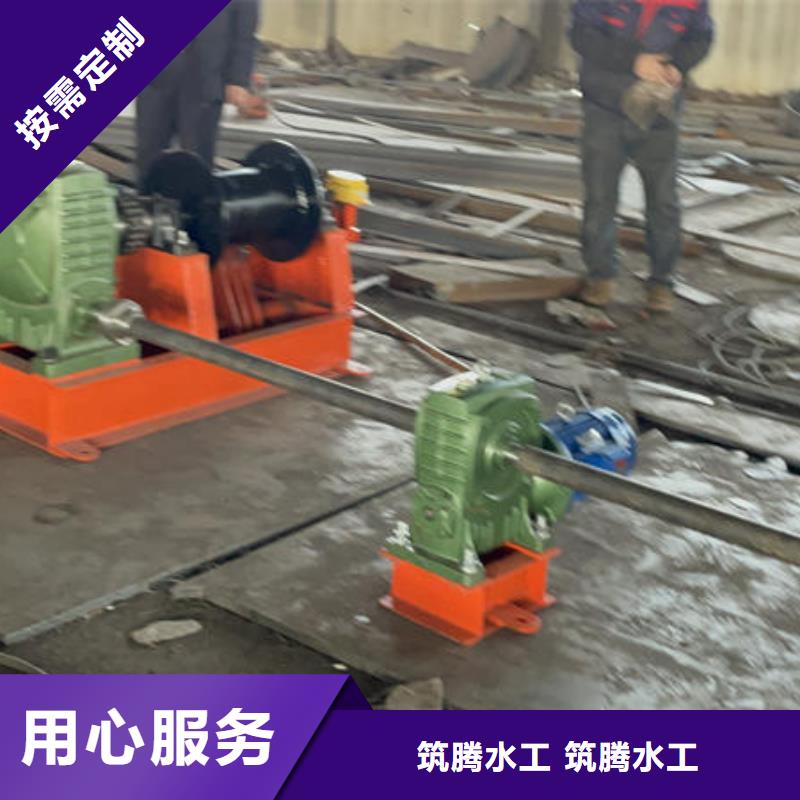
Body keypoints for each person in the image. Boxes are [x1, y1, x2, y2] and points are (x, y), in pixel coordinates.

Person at [570, 0, 714, 313]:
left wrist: (677, 65)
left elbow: (701, 38)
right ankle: (601, 276)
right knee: (600, 197)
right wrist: (633, 61)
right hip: (605, 108)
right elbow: (582, 35)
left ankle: (661, 282)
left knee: (663, 200)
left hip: (659, 110)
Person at [135, 0, 264, 185]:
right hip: (156, 80)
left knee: (197, 157)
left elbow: (245, 36)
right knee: (148, 154)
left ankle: (196, 202)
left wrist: (237, 81)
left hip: (204, 82)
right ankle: (145, 199)